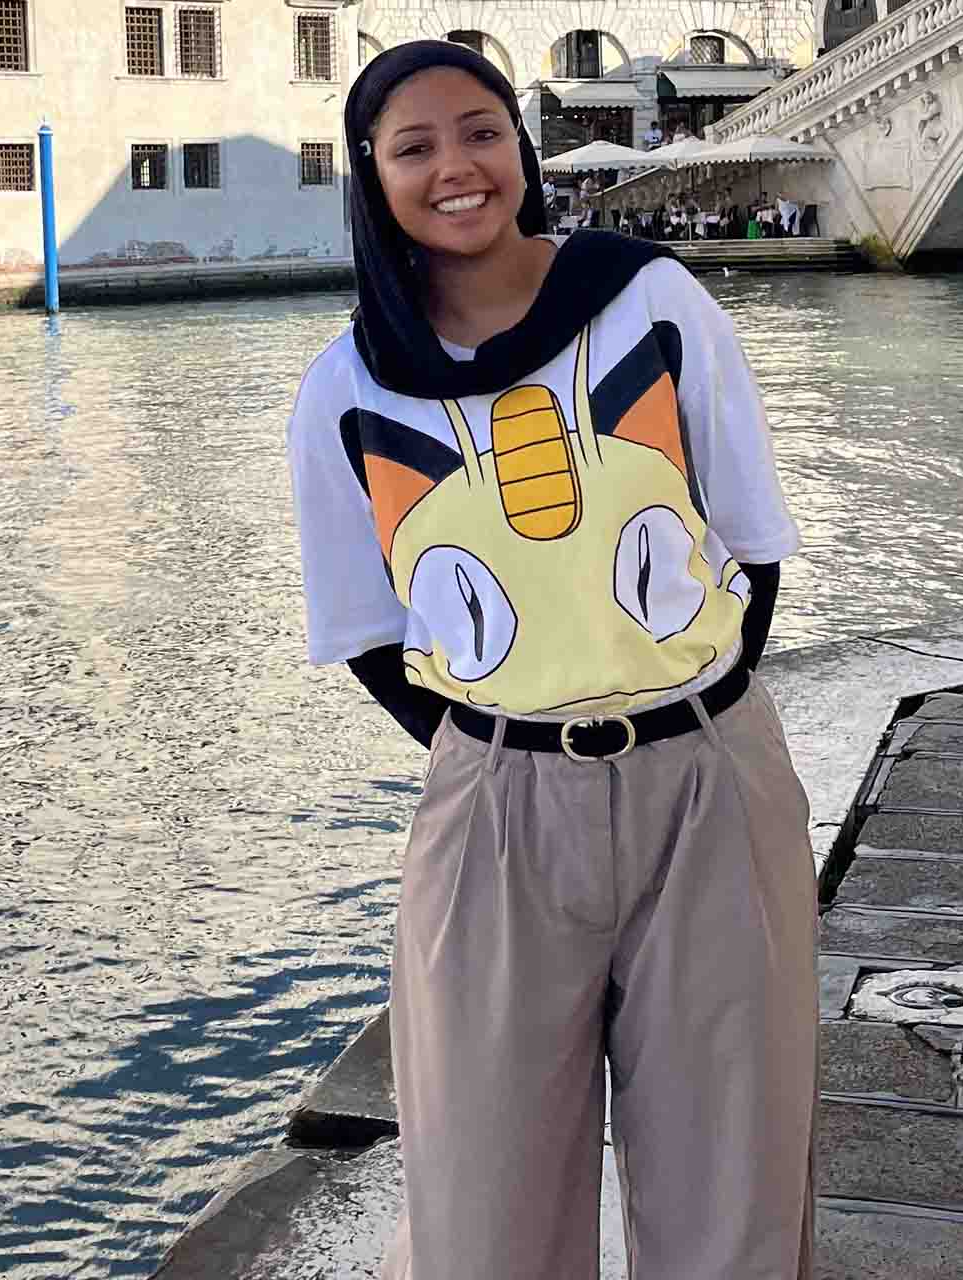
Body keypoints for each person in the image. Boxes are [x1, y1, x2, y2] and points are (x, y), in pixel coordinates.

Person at [286, 39, 816, 1280]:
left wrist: (681, 709)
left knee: (734, 1181)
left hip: (709, 777)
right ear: (372, 176)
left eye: (481, 131)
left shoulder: (654, 301)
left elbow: (751, 547)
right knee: (482, 1204)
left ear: (519, 146)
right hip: (497, 809)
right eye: (413, 146)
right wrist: (517, 740)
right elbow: (371, 634)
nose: (456, 167)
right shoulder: (347, 393)